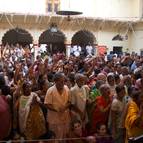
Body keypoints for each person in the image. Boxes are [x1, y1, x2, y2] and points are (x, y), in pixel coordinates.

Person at [44, 72, 71, 143]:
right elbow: (47, 104)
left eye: (64, 81)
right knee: (55, 138)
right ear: (55, 81)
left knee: (64, 136)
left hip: (65, 117)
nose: (63, 83)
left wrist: (65, 107)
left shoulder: (66, 88)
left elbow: (70, 101)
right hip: (54, 119)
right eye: (61, 81)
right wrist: (56, 110)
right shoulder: (50, 90)